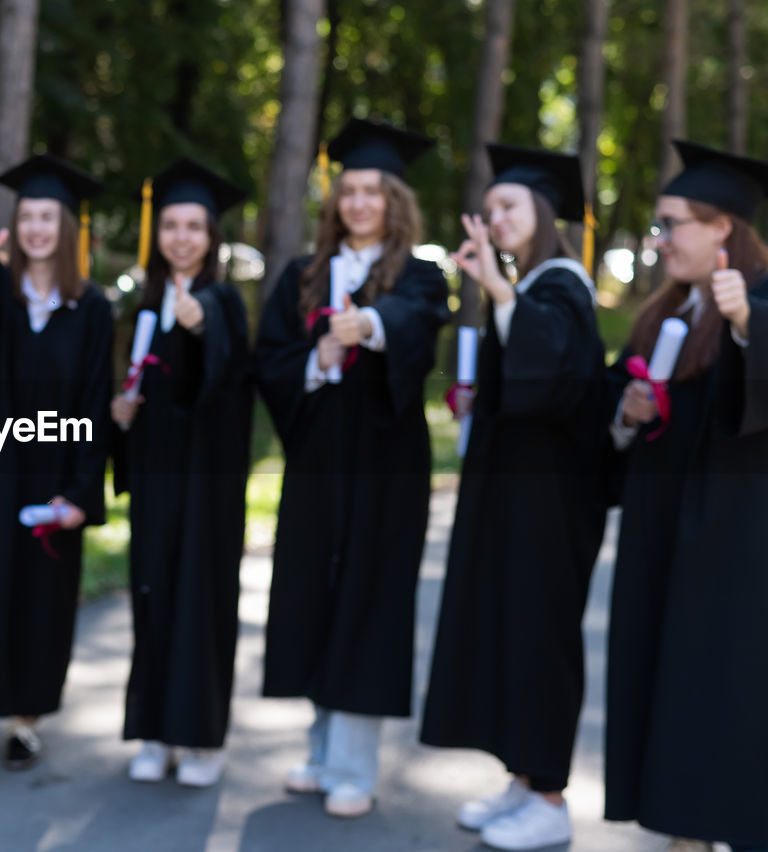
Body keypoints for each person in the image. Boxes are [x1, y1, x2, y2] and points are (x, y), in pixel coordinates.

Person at [254, 119, 448, 816]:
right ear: (335, 201)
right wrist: (317, 360)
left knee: (368, 596)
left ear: (394, 201)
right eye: (350, 191)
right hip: (316, 459)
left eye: (374, 191)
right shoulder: (302, 276)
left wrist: (367, 326)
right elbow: (270, 361)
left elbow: (416, 322)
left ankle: (354, 767)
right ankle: (319, 748)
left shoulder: (420, 275)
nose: (360, 203)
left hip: (386, 463)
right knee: (315, 593)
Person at [419, 144, 606, 851]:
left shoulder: (562, 285)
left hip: (553, 509)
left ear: (544, 214)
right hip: (516, 499)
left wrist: (499, 293)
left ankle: (551, 798)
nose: (494, 218)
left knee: (542, 641)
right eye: (490, 207)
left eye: (509, 207)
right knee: (509, 632)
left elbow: (553, 377)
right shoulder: (532, 284)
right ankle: (523, 780)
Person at [604, 141, 768, 852]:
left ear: (723, 227)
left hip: (737, 550)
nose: (661, 239)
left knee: (728, 690)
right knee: (670, 687)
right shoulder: (662, 310)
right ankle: (683, 829)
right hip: (662, 540)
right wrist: (626, 414)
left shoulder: (757, 301)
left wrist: (746, 327)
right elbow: (609, 410)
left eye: (674, 224)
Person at [0, 153, 113, 770]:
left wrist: (80, 492)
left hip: (55, 471)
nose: (38, 228)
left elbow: (96, 400)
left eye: (49, 216)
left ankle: (28, 719)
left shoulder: (92, 307)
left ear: (67, 226)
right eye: (28, 216)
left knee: (46, 593)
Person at [110, 157, 253, 787]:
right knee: (153, 596)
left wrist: (201, 330)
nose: (182, 237)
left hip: (207, 484)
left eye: (195, 226)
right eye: (172, 225)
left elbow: (225, 382)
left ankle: (202, 741)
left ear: (212, 236)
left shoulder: (222, 301)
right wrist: (122, 411)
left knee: (202, 600)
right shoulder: (146, 306)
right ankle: (155, 733)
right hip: (157, 478)